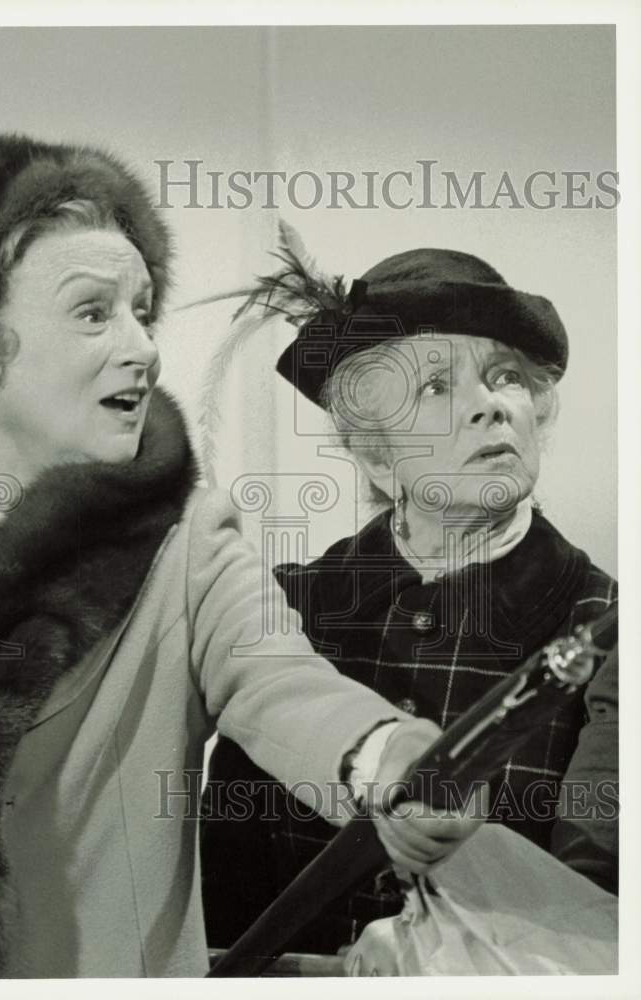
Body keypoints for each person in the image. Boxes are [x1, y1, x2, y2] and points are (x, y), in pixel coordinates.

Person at [0, 134, 483, 979]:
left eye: (143, 310)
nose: (143, 348)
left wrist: (383, 754)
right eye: (94, 311)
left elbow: (280, 682)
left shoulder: (188, 546)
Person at [201, 240, 618, 954]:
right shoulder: (285, 607)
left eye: (506, 376)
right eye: (435, 388)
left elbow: (588, 929)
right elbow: (227, 897)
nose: (489, 407)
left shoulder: (605, 629)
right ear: (375, 456)